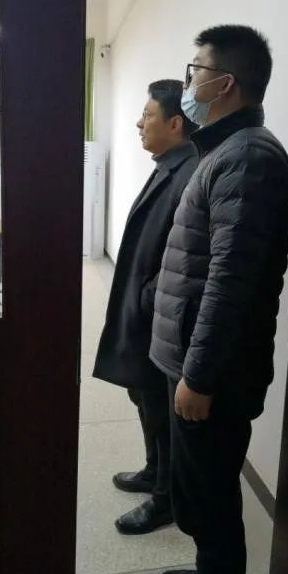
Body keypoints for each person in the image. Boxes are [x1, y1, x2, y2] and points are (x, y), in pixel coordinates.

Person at [149, 26, 288, 574]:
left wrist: (199, 376)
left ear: (224, 82)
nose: (188, 83)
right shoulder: (225, 151)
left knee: (211, 496)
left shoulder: (248, 159)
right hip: (196, 361)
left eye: (195, 71)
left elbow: (230, 285)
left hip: (213, 373)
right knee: (201, 489)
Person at [93, 79, 198, 535]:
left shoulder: (190, 173)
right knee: (144, 397)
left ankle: (166, 499)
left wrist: (147, 296)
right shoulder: (168, 165)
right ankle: (154, 470)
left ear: (175, 124)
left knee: (161, 409)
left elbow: (189, 260)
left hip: (162, 321)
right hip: (147, 314)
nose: (140, 123)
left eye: (148, 115)